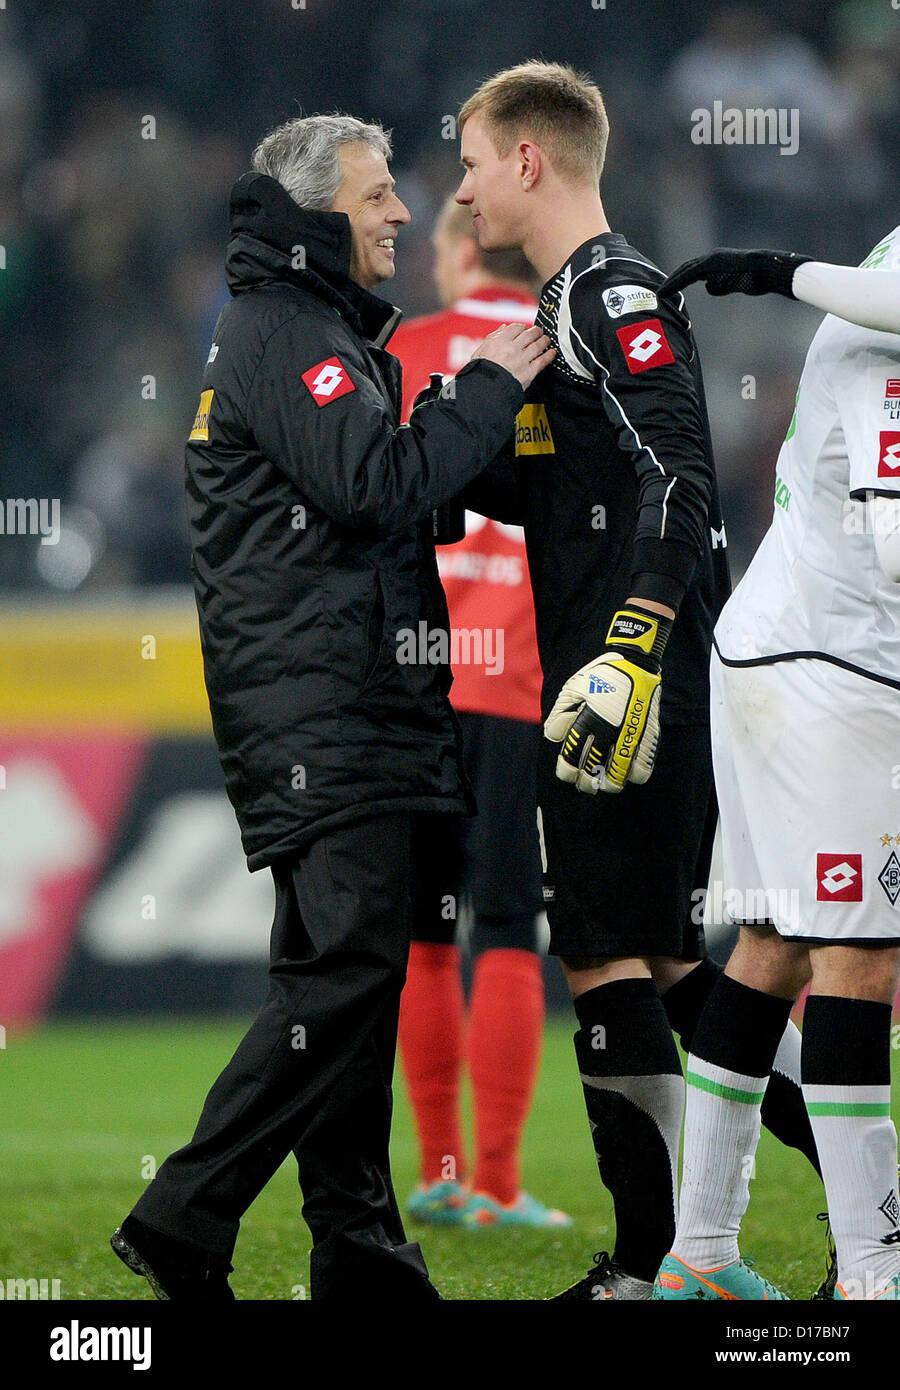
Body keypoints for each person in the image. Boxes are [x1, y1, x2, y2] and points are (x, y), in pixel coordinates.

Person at [109, 113, 553, 1302]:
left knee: (343, 980)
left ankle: (355, 1242)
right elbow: (375, 482)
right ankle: (182, 1216)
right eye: (375, 201)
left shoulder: (305, 329)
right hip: (327, 712)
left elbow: (389, 492)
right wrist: (487, 389)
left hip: (347, 700)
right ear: (314, 219)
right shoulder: (284, 332)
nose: (404, 215)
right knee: (347, 974)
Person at [452, 60, 825, 1300]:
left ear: (526, 160)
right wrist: (470, 429)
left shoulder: (611, 293)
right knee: (655, 961)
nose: (457, 192)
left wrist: (631, 644)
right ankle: (698, 1250)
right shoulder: (564, 310)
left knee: (613, 957)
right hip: (621, 672)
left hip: (631, 681)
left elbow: (677, 470)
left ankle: (650, 1262)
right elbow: (573, 486)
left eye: (468, 160)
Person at [653, 231, 900, 1301]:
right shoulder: (885, 369)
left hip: (783, 655)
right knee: (863, 964)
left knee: (771, 949)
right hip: (827, 677)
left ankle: (698, 1252)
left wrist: (778, 269)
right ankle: (873, 1275)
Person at [390, 197, 569, 1229]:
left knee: (421, 933)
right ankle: (499, 1184)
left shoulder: (406, 350)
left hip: (417, 685)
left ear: (461, 254)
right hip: (517, 687)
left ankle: (441, 1170)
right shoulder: (564, 357)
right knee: (506, 924)